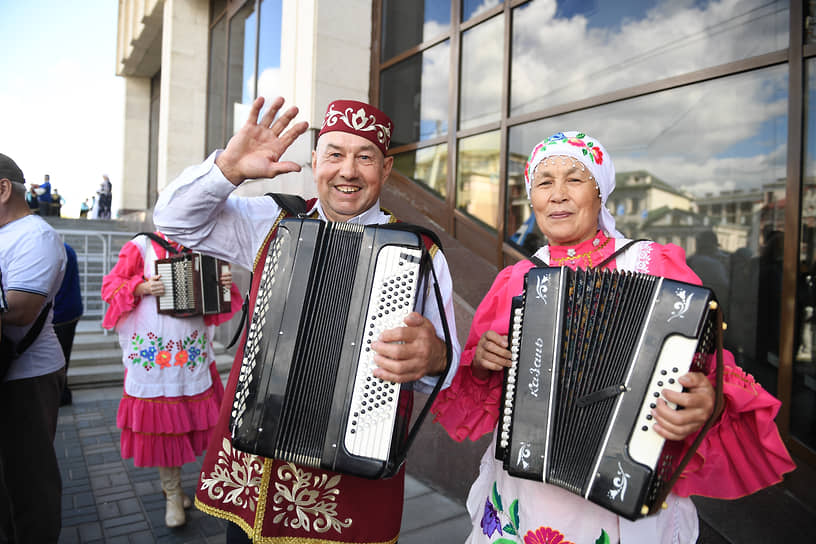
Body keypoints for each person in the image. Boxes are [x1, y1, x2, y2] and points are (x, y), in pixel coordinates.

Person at [431, 132, 796, 544]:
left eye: (575, 179)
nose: (558, 195)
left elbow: (711, 367)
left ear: (600, 192)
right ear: (532, 198)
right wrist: (483, 362)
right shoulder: (516, 279)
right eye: (544, 181)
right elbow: (478, 381)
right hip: (527, 489)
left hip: (627, 488)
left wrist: (706, 399)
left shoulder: (652, 264)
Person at [153, 96, 461, 543]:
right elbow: (175, 223)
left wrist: (433, 358)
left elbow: (444, 370)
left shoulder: (421, 253)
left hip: (349, 490)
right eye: (335, 154)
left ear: (387, 168)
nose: (348, 171)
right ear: (315, 159)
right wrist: (228, 170)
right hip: (256, 477)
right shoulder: (271, 220)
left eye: (365, 157)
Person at [101, 231, 242, 528]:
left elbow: (216, 304)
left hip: (189, 351)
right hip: (154, 352)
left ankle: (182, 490)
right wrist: (141, 286)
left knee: (189, 423)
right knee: (163, 428)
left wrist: (224, 286)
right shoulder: (140, 246)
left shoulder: (204, 245)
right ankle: (173, 494)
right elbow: (110, 287)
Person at [0, 153, 67, 543]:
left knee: (28, 482)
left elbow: (21, 310)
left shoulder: (35, 235)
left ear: (4, 189)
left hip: (26, 376)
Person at [54, 242, 84, 406]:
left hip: (60, 313)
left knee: (58, 359)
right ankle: (62, 392)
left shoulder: (54, 249)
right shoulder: (66, 248)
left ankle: (61, 394)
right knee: (63, 357)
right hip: (69, 310)